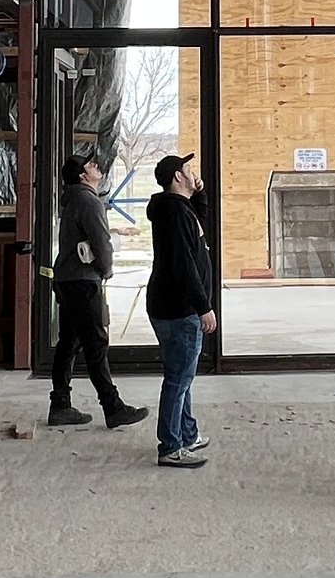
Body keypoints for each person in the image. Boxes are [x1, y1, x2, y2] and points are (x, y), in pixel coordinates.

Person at [48, 149, 148, 431]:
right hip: (83, 281)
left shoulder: (71, 201)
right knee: (95, 344)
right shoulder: (88, 201)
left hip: (67, 279)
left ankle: (61, 405)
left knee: (68, 343)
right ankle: (113, 407)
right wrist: (106, 269)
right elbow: (101, 242)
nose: (96, 166)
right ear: (83, 176)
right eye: (90, 165)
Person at [144, 152, 216, 468]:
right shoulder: (174, 214)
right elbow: (184, 265)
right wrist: (203, 307)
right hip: (178, 309)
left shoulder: (178, 210)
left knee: (182, 376)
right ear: (177, 177)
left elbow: (200, 230)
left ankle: (186, 434)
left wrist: (199, 192)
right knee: (178, 378)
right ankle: (170, 446)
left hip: (173, 306)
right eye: (187, 170)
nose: (191, 172)